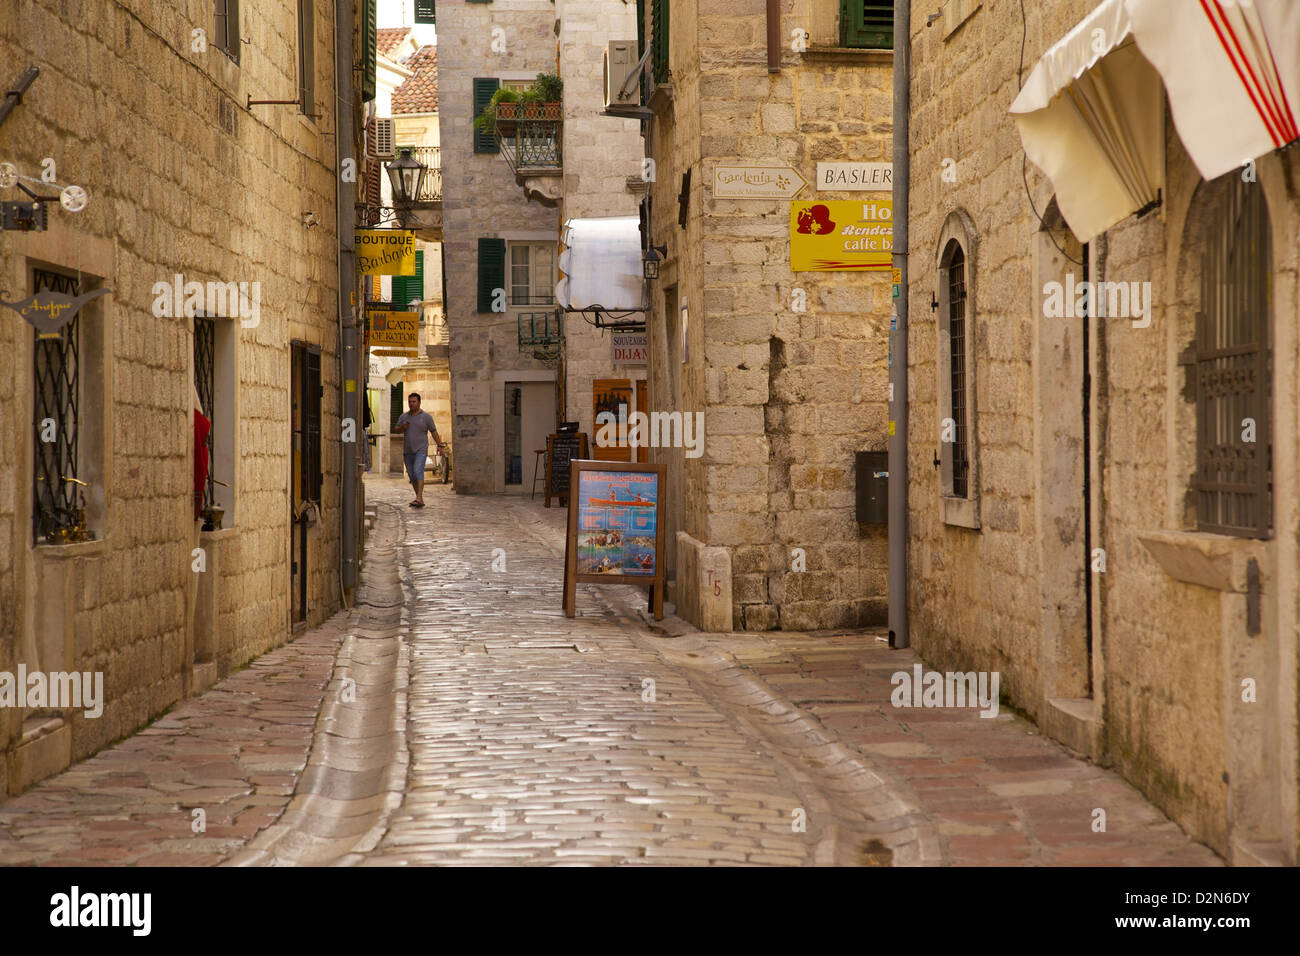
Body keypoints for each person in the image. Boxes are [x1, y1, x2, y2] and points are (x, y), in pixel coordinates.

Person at [394, 392, 444, 508]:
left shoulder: (426, 417)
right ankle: (419, 498)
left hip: (421, 450)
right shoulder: (404, 417)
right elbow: (396, 429)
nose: (411, 404)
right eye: (410, 402)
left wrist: (440, 445)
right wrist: (403, 428)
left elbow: (434, 432)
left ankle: (419, 498)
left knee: (418, 471)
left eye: (414, 402)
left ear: (419, 403)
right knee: (412, 475)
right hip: (408, 450)